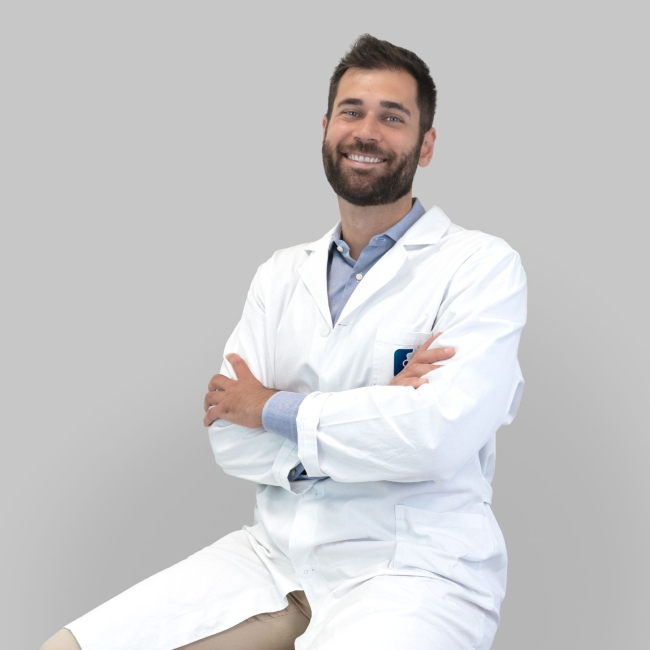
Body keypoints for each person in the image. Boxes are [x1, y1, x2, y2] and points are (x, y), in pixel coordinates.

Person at [41, 34, 526, 650]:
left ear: (425, 144)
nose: (366, 131)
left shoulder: (480, 267)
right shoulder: (279, 275)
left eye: (392, 117)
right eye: (351, 111)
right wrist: (378, 411)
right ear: (325, 129)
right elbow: (228, 434)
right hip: (275, 555)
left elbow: (435, 438)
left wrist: (270, 408)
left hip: (411, 567)